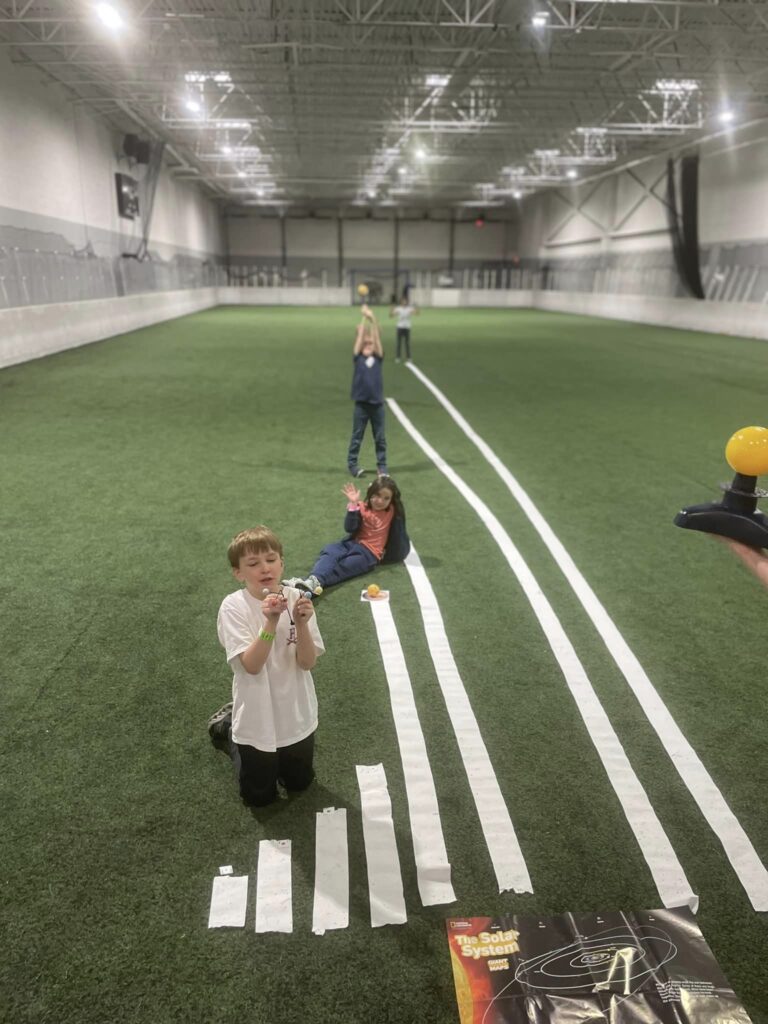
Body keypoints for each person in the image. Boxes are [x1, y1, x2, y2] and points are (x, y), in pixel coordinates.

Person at [208, 526, 324, 807]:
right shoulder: (233, 607)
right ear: (238, 573)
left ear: (282, 563)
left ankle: (236, 726)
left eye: (271, 560)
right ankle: (229, 728)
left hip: (295, 713)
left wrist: (304, 625)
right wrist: (271, 622)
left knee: (300, 784)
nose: (265, 568)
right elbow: (251, 666)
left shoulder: (298, 599)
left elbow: (307, 662)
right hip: (257, 716)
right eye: (253, 563)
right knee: (260, 798)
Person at [283, 476, 410, 594]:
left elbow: (396, 501)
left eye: (386, 498)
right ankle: (310, 583)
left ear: (391, 500)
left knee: (342, 568)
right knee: (330, 551)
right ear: (370, 493)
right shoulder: (360, 507)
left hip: (369, 554)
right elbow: (349, 528)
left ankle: (308, 587)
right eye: (376, 495)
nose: (380, 501)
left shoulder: (392, 511)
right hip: (351, 543)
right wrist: (353, 506)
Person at [347, 307, 388, 478]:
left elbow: (377, 340)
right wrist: (364, 320)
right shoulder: (358, 358)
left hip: (377, 405)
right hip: (361, 405)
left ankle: (382, 467)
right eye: (365, 343)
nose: (368, 345)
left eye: (370, 343)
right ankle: (353, 465)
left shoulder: (378, 358)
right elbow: (359, 342)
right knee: (357, 436)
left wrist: (373, 319)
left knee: (380, 438)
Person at [389, 295, 418, 363]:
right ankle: (398, 357)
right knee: (398, 343)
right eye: (403, 301)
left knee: (407, 343)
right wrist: (391, 310)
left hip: (407, 327)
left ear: (407, 302)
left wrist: (416, 307)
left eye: (405, 301)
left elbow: (416, 313)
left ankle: (408, 357)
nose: (404, 302)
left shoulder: (409, 309)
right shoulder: (398, 309)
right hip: (400, 327)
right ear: (401, 302)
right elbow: (391, 316)